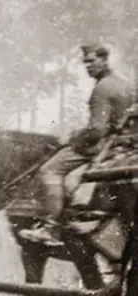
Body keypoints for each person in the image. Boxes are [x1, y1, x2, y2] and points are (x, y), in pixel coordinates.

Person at [20, 43, 136, 247]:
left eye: (92, 61)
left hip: (105, 146)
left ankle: (50, 228)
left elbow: (97, 130)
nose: (88, 66)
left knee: (49, 170)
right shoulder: (125, 84)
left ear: (104, 59)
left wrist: (75, 138)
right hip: (125, 145)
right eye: (86, 62)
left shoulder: (102, 88)